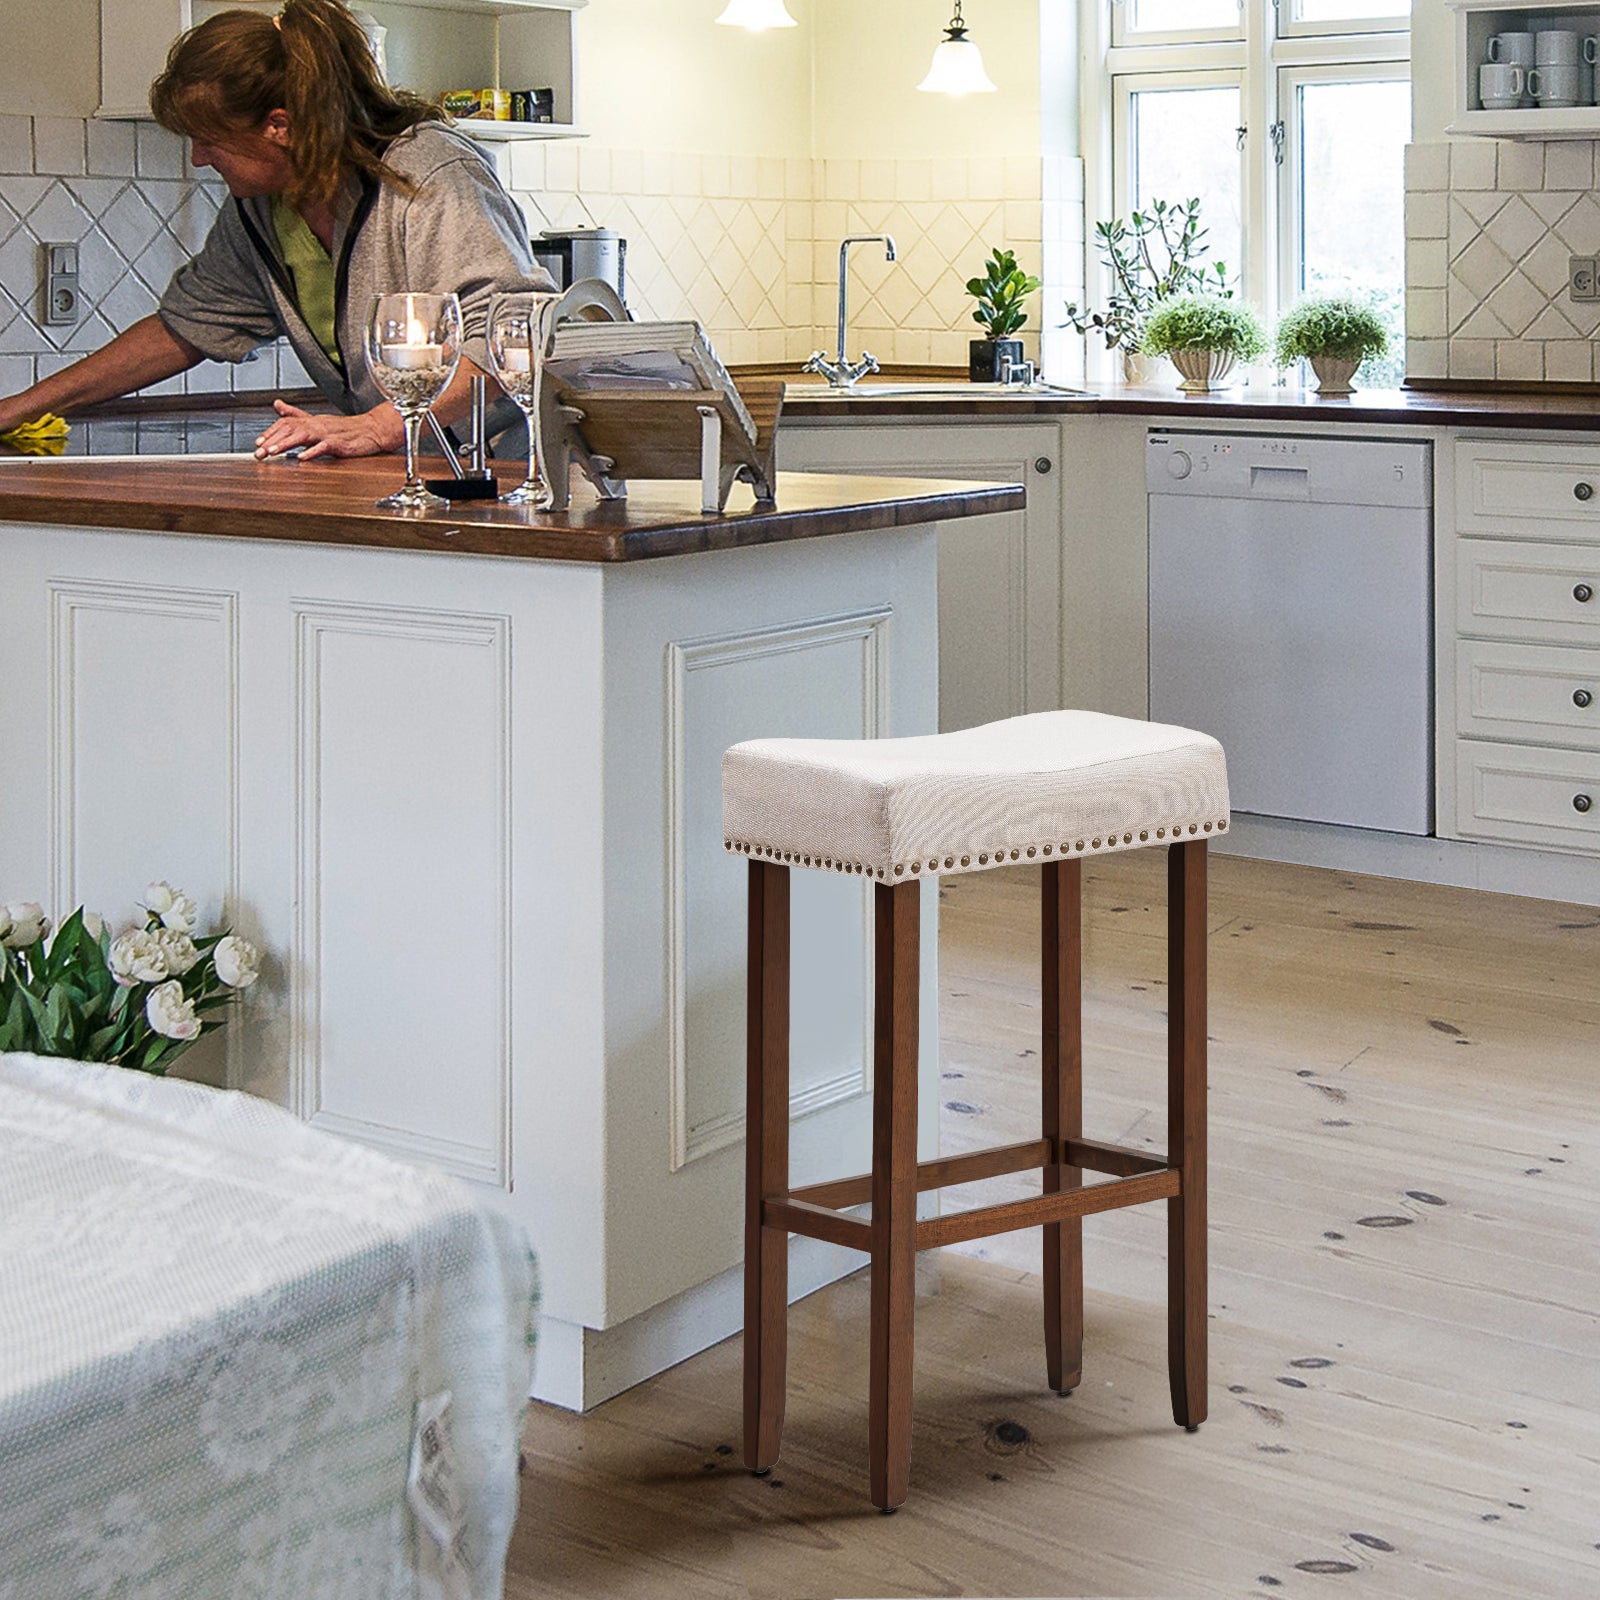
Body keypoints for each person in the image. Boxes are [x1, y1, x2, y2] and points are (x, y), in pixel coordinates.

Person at [0, 0, 553, 460]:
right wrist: (17, 409)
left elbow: (516, 331)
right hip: (407, 470)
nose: (197, 159)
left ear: (279, 126)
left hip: (510, 470)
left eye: (209, 140)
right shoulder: (264, 207)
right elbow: (185, 329)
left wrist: (377, 427)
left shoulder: (427, 173)